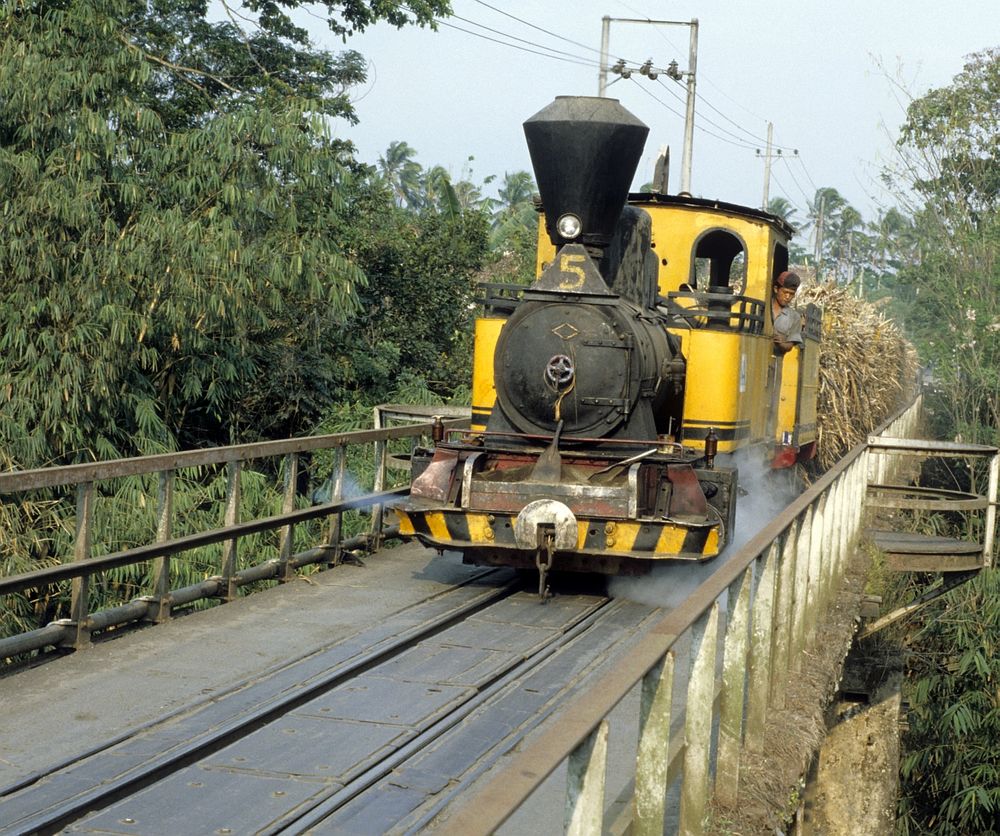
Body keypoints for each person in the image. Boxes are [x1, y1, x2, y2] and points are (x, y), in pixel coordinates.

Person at [772, 270, 803, 354]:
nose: (787, 297)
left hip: (776, 363)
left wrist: (781, 344)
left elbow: (789, 346)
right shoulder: (762, 308)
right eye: (785, 292)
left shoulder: (794, 317)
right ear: (776, 289)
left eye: (791, 294)